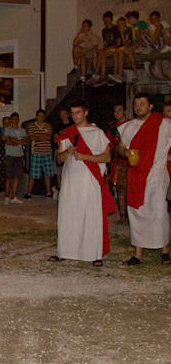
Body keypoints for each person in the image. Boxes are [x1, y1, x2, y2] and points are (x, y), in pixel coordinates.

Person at [52, 100, 114, 266]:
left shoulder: (97, 133)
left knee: (91, 217)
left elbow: (107, 157)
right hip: (71, 182)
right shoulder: (67, 133)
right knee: (69, 215)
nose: (74, 116)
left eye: (78, 112)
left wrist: (85, 157)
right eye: (72, 113)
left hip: (90, 181)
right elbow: (59, 159)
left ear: (86, 112)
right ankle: (65, 250)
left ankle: (94, 253)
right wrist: (67, 151)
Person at [117, 92, 171, 265]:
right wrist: (126, 153)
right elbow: (120, 147)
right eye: (136, 104)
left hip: (157, 175)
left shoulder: (164, 124)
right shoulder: (128, 127)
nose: (138, 107)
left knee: (159, 212)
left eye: (142, 103)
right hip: (136, 174)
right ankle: (138, 254)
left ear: (151, 106)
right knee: (137, 213)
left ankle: (164, 251)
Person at [24, 109, 55, 198]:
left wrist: (38, 136)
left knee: (47, 173)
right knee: (33, 173)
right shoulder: (31, 126)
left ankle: (48, 192)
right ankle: (29, 192)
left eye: (42, 116)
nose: (41, 117)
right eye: (39, 116)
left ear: (44, 117)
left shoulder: (48, 126)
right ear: (36, 116)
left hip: (47, 152)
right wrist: (42, 136)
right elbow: (31, 137)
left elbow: (48, 137)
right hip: (36, 152)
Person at [108, 103, 130, 224]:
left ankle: (130, 216)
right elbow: (109, 144)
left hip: (129, 163)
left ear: (124, 111)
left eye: (120, 110)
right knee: (119, 189)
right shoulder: (112, 128)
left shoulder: (131, 125)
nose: (117, 113)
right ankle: (122, 215)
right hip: (116, 163)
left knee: (129, 190)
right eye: (115, 111)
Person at [2, 113, 27, 204]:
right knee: (9, 176)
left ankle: (14, 195)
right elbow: (8, 141)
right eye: (13, 119)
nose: (15, 120)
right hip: (10, 154)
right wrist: (18, 141)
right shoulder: (8, 129)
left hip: (19, 155)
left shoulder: (22, 130)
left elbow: (25, 142)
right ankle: (7, 195)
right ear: (11, 120)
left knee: (17, 176)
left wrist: (15, 140)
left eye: (17, 119)